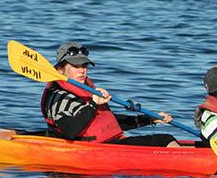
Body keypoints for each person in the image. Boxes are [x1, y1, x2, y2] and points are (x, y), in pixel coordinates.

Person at [41, 41, 181, 147]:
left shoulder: (86, 91)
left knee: (166, 139)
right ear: (60, 70)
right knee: (165, 139)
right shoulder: (58, 98)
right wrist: (94, 104)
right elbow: (70, 131)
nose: (82, 70)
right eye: (76, 66)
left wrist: (149, 119)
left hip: (109, 143)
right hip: (91, 150)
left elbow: (108, 123)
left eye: (84, 66)